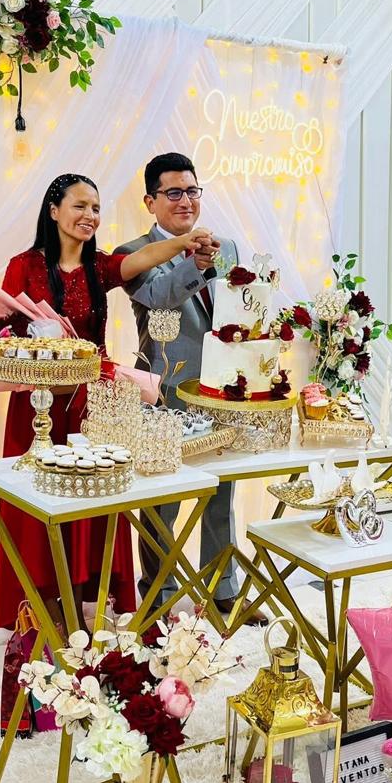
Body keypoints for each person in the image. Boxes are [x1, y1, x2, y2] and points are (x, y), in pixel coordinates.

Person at [0, 172, 215, 630]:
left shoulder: (99, 267)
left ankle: (82, 600)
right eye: (79, 206)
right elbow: (3, 330)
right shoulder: (23, 266)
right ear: (53, 210)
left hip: (92, 406)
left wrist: (183, 242)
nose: (89, 216)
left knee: (92, 500)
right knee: (36, 503)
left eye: (95, 208)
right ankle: (40, 603)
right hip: (37, 406)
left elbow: (141, 258)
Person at [115, 151, 254, 622]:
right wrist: (193, 258)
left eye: (192, 191)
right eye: (173, 192)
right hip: (167, 390)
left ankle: (222, 589)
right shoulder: (131, 253)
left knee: (222, 493)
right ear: (150, 201)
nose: (185, 201)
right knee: (163, 503)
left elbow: (239, 308)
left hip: (223, 388)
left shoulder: (226, 246)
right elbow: (160, 297)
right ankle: (160, 598)